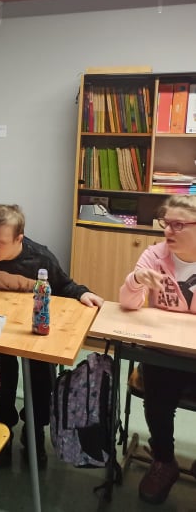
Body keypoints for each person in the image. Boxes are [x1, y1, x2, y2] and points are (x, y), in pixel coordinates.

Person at [0, 204, 103, 467]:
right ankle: (2, 424)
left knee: (41, 374)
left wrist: (83, 293)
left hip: (32, 328)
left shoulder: (40, 258)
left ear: (19, 239)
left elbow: (65, 285)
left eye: (0, 242)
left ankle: (34, 430)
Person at [119, 195, 196, 504]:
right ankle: (164, 460)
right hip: (163, 354)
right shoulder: (154, 255)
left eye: (179, 225)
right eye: (166, 223)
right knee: (158, 398)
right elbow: (128, 303)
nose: (168, 231)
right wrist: (137, 280)